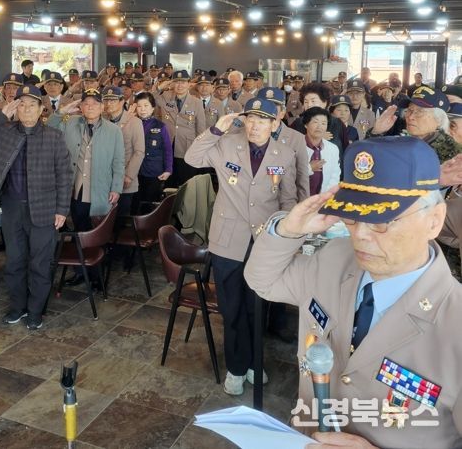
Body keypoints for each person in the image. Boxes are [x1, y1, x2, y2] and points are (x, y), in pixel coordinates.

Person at [244, 136, 462, 449]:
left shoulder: (454, 322)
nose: (360, 234)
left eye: (382, 221)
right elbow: (263, 280)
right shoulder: (335, 257)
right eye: (352, 216)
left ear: (434, 221)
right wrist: (288, 230)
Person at [184, 97, 298, 396]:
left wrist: (285, 237)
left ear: (275, 124)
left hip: (264, 242)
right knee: (232, 307)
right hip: (227, 242)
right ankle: (236, 367)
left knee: (257, 308)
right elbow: (192, 159)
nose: (254, 125)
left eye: (262, 120)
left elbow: (288, 200)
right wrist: (216, 130)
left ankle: (254, 363)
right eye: (250, 119)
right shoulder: (226, 143)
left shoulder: (286, 154)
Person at [0, 85, 72, 330]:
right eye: (22, 105)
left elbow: (65, 175)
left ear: (41, 109)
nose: (26, 110)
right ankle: (17, 307)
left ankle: (35, 311)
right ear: (16, 108)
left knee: (40, 263)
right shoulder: (5, 131)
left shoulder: (53, 136)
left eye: (31, 105)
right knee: (14, 261)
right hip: (12, 207)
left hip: (44, 209)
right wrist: (2, 114)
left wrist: (62, 209)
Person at [47, 89, 125, 286]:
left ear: (102, 107)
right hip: (77, 190)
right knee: (79, 231)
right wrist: (61, 112)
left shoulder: (113, 130)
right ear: (80, 106)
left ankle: (98, 277)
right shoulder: (70, 123)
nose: (90, 107)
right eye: (86, 103)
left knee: (98, 234)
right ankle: (81, 272)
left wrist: (116, 187)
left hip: (101, 190)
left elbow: (119, 161)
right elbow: (49, 128)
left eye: (95, 103)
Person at [368, 86, 461, 162]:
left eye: (420, 111)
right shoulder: (401, 142)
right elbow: (366, 162)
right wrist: (376, 132)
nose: (410, 116)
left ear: (439, 119)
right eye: (409, 110)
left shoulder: (453, 154)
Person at [154, 70, 207, 187]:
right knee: (169, 182)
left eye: (183, 82)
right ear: (172, 83)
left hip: (187, 147)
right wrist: (158, 88)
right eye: (177, 82)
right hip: (167, 145)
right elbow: (150, 99)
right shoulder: (165, 97)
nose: (180, 85)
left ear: (189, 84)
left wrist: (198, 150)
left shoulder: (197, 102)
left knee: (186, 182)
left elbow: (201, 129)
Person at [102, 86, 144, 217]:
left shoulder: (134, 122)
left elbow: (139, 151)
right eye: (106, 100)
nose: (108, 104)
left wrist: (129, 175)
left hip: (125, 178)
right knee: (103, 216)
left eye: (113, 100)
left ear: (121, 102)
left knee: (120, 216)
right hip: (104, 178)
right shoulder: (101, 120)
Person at [290, 81, 349, 171]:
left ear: (324, 102)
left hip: (333, 175)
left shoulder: (337, 124)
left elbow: (346, 151)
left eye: (313, 101)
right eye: (306, 102)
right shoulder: (297, 124)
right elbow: (289, 151)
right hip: (303, 175)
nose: (309, 105)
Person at [132, 92, 172, 214]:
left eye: (146, 105)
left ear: (153, 108)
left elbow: (167, 149)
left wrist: (168, 169)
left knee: (149, 203)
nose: (142, 109)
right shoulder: (131, 124)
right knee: (135, 202)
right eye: (139, 106)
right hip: (134, 171)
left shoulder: (160, 126)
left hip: (153, 171)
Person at [303, 107, 340, 195]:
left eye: (323, 123)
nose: (319, 127)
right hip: (298, 198)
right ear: (306, 124)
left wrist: (324, 198)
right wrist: (309, 168)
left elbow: (334, 176)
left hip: (323, 199)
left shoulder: (333, 148)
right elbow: (288, 174)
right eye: (315, 122)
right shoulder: (295, 145)